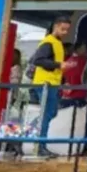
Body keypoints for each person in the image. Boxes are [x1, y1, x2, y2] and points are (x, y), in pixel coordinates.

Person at [29, 16, 71, 158]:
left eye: (67, 30)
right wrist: (59, 65)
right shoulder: (48, 42)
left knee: (51, 112)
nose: (65, 32)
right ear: (56, 26)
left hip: (53, 82)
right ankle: (39, 145)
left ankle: (34, 131)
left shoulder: (57, 43)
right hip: (44, 83)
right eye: (63, 29)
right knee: (47, 113)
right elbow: (38, 60)